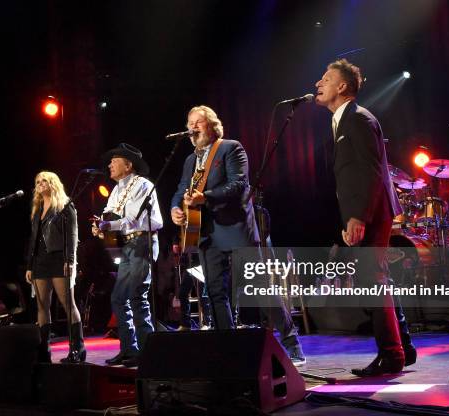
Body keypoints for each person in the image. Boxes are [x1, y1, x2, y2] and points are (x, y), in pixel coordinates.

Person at [170, 105, 305, 364]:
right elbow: (179, 190)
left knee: (261, 287)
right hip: (206, 233)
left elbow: (239, 184)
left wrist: (204, 197)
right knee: (215, 292)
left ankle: (291, 343)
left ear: (212, 127)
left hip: (236, 229)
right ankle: (229, 348)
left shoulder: (230, 148)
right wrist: (176, 208)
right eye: (190, 122)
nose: (193, 127)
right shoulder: (190, 160)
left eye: (199, 122)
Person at [315, 59, 416, 376]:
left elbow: (369, 173)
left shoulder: (358, 119)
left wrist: (358, 217)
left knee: (373, 282)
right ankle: (405, 347)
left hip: (370, 211)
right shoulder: (343, 121)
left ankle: (392, 355)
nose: (319, 84)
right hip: (364, 211)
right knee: (376, 281)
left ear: (342, 86)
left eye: (326, 79)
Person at [92, 143, 163, 368]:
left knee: (137, 296)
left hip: (142, 241)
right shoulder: (116, 189)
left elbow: (131, 219)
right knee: (119, 297)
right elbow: (110, 215)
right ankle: (128, 349)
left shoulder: (142, 185)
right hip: (129, 245)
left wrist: (107, 225)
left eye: (115, 160)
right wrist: (100, 225)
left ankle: (147, 351)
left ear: (128, 164)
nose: (110, 164)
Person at [25, 171, 85, 363]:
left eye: (44, 180)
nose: (40, 184)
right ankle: (44, 351)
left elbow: (73, 236)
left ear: (53, 184)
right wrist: (29, 265)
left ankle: (78, 348)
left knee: (68, 303)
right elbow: (33, 239)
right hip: (40, 261)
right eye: (37, 181)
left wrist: (70, 260)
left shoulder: (65, 206)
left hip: (60, 259)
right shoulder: (37, 208)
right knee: (42, 306)